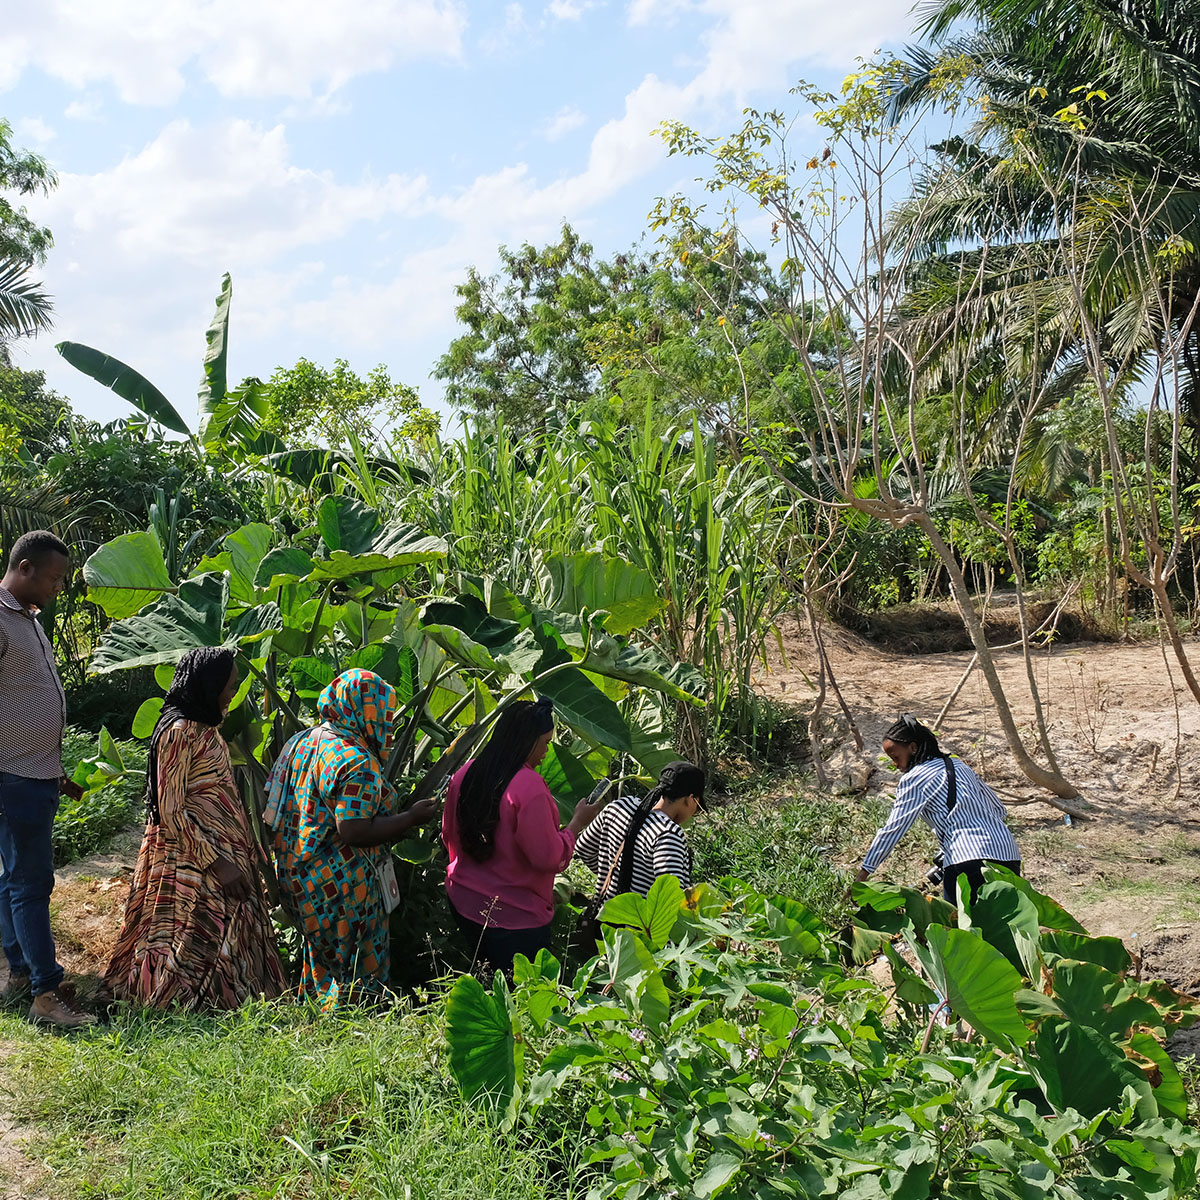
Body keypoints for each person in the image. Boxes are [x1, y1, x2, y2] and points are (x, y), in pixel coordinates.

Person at [105, 647, 287, 1010]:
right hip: (191, 859)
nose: (233, 692)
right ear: (208, 684)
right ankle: (178, 1001)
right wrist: (216, 862)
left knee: (225, 932)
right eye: (228, 685)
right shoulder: (180, 731)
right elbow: (170, 810)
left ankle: (231, 1000)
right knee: (187, 930)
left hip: (221, 852)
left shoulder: (205, 727)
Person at [267, 669, 439, 1007]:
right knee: (354, 962)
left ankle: (317, 1012)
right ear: (368, 711)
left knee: (322, 956)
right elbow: (354, 830)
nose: (387, 722)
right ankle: (354, 1020)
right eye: (384, 712)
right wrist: (411, 818)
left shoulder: (303, 741)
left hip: (299, 874)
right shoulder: (355, 759)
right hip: (342, 883)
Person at [0, 530, 95, 1029]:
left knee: (13, 879)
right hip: (12, 774)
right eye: (55, 578)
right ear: (26, 568)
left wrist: (54, 769)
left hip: (33, 771)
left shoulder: (28, 620)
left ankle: (19, 973)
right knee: (32, 883)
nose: (60, 588)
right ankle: (44, 992)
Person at [442, 697, 606, 975]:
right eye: (544, 742)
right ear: (525, 742)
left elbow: (448, 833)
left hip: (464, 900)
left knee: (487, 980)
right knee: (518, 994)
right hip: (514, 917)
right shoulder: (529, 788)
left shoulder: (467, 772)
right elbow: (548, 857)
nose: (546, 750)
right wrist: (577, 823)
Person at [854, 714, 1021, 904]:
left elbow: (894, 829)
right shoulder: (959, 765)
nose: (896, 765)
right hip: (1008, 855)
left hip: (966, 859)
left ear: (913, 748)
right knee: (1006, 927)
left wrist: (864, 873)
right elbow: (999, 809)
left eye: (896, 757)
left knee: (961, 928)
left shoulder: (915, 778)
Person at [574, 760, 704, 903]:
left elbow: (583, 847)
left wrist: (613, 879)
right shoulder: (668, 834)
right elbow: (672, 897)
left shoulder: (619, 807)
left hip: (603, 918)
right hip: (641, 924)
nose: (694, 813)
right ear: (690, 799)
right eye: (697, 807)